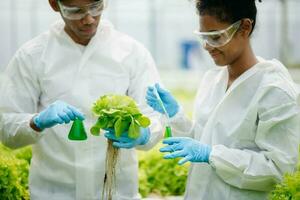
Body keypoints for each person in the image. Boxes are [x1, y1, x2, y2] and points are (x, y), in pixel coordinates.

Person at [0, 0, 162, 199]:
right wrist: (36, 122)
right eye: (75, 11)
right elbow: (6, 128)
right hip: (54, 192)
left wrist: (144, 134)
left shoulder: (131, 52)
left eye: (96, 6)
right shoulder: (32, 56)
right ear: (54, 4)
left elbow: (155, 116)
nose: (89, 19)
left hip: (116, 192)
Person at [146, 0, 300, 199]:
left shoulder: (273, 90)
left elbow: (278, 169)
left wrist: (211, 155)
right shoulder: (213, 79)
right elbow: (204, 139)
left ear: (245, 27)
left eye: (216, 37)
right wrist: (176, 116)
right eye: (203, 37)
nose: (207, 46)